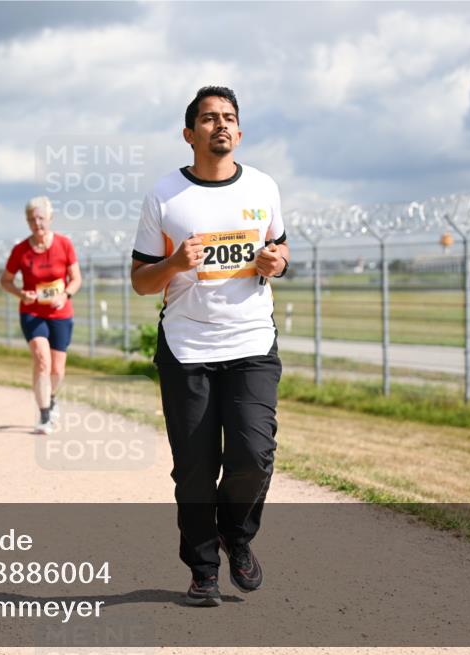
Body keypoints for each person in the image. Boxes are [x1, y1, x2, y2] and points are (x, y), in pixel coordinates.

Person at [130, 86, 289, 607]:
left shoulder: (263, 187)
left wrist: (277, 263)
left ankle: (236, 536)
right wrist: (174, 265)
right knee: (195, 467)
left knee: (254, 454)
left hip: (251, 341)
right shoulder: (165, 196)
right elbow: (140, 281)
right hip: (187, 348)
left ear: (239, 132)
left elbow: (280, 247)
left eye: (228, 118)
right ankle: (202, 570)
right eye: (208, 118)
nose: (220, 125)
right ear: (188, 134)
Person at [0, 196, 82, 434]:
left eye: (41, 218)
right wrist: (20, 293)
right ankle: (44, 414)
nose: (37, 223)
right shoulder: (21, 251)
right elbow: (5, 281)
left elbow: (76, 279)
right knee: (41, 359)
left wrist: (64, 295)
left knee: (58, 369)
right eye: (31, 219)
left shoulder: (64, 244)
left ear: (50, 218)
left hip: (60, 312)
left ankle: (52, 398)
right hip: (32, 311)